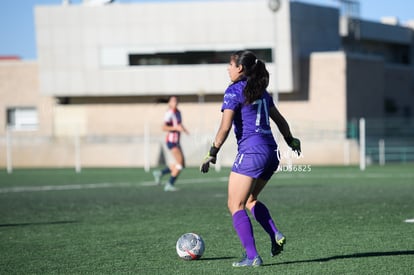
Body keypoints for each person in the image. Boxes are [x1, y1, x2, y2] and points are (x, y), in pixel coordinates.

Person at [200, 51, 301, 267]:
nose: (228, 68)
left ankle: (252, 256)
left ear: (240, 69)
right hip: (271, 153)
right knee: (249, 200)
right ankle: (275, 233)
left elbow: (225, 127)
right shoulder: (262, 92)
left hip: (252, 153)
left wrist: (212, 152)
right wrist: (291, 141)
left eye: (230, 64)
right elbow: (281, 121)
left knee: (234, 204)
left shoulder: (234, 91)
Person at [153, 96, 189, 191]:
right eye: (173, 101)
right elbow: (164, 127)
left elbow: (179, 124)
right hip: (171, 141)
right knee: (180, 164)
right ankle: (169, 184)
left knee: (182, 164)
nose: (175, 102)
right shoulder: (169, 113)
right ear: (169, 103)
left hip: (177, 141)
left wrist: (184, 130)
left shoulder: (178, 112)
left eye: (176, 100)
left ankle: (160, 173)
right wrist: (175, 128)